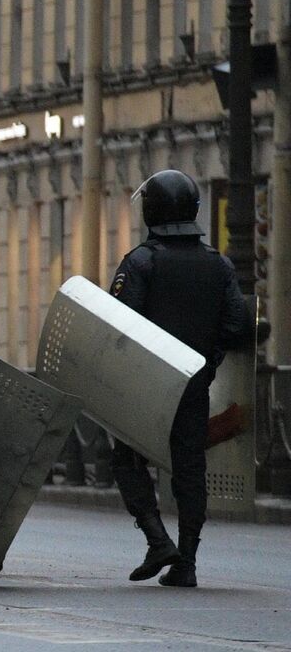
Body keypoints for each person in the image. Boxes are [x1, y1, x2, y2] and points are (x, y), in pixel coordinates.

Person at [107, 170, 260, 589]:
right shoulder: (219, 264)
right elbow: (237, 326)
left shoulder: (140, 261)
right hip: (193, 383)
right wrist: (205, 362)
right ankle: (187, 560)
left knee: (127, 458)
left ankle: (158, 541)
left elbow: (119, 325)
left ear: (153, 209)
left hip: (145, 385)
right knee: (189, 468)